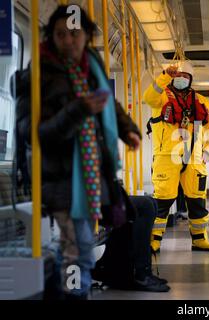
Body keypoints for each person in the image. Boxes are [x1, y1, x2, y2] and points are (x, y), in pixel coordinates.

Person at [14, 6, 142, 299]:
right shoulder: (38, 73)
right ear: (51, 36)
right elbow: (33, 133)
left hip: (91, 173)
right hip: (58, 175)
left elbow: (109, 105)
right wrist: (79, 110)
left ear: (87, 36)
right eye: (61, 34)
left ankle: (74, 293)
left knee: (77, 249)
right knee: (79, 249)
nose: (69, 41)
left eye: (75, 34)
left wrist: (128, 130)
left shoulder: (91, 65)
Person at [143, 62, 209, 253]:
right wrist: (165, 74)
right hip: (167, 157)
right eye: (177, 75)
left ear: (191, 79)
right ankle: (154, 241)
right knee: (162, 201)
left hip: (194, 159)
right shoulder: (160, 96)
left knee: (197, 201)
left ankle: (200, 240)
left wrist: (208, 152)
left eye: (185, 75)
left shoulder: (202, 101)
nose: (181, 78)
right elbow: (147, 97)